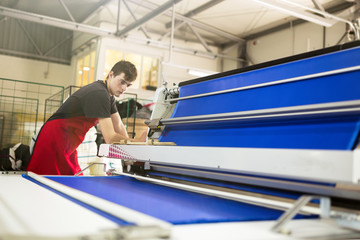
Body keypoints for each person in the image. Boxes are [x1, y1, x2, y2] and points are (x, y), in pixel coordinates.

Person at [27, 60, 146, 175]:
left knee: (72, 178)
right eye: (122, 82)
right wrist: (137, 143)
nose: (124, 88)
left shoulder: (108, 96)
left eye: (128, 85)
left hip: (68, 141)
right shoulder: (100, 93)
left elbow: (119, 125)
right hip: (55, 138)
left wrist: (131, 149)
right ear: (111, 74)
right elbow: (110, 137)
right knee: (49, 181)